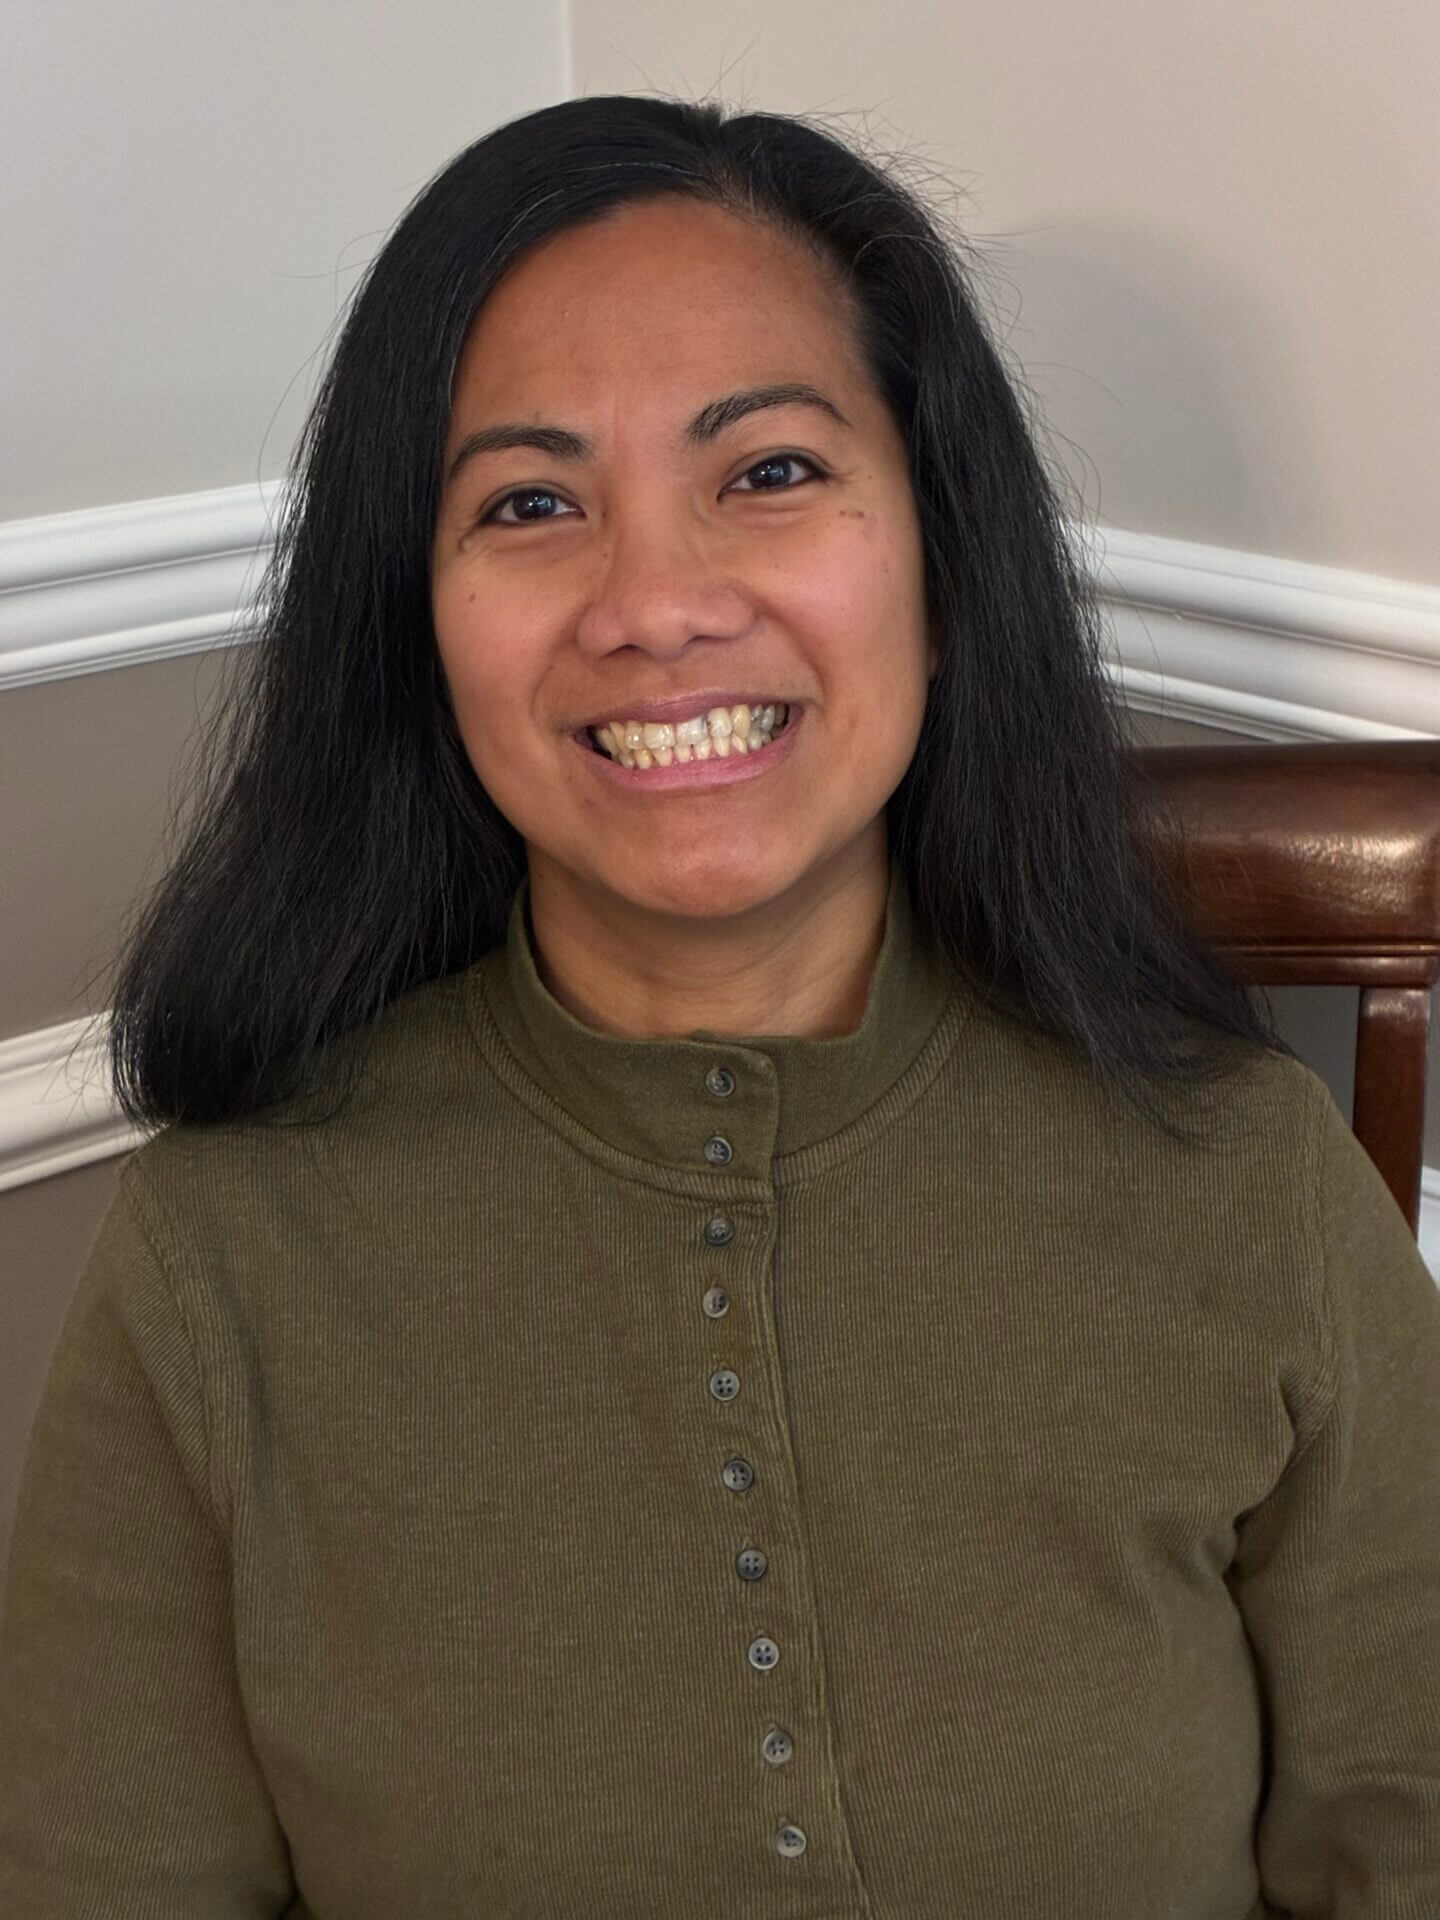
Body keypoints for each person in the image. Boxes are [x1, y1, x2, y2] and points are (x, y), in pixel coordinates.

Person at [1, 91, 1436, 1918]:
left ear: (937, 557)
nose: (654, 605)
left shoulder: (1244, 1177)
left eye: (766, 470)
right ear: (416, 622)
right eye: (530, 503)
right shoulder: (226, 1265)